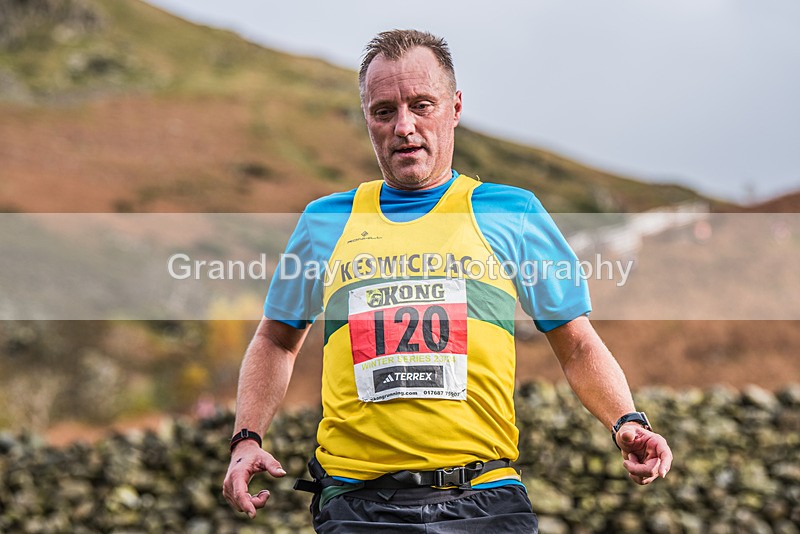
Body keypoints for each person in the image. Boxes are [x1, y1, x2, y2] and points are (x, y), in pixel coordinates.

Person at [222, 29, 673, 533]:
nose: (404, 127)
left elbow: (577, 345)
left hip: (485, 501)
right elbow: (276, 340)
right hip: (357, 508)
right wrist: (246, 438)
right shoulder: (325, 221)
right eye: (384, 111)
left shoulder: (513, 213)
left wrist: (628, 421)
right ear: (367, 118)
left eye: (422, 105)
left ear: (455, 107)